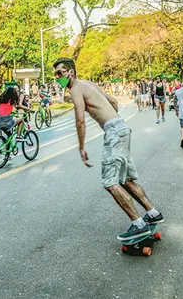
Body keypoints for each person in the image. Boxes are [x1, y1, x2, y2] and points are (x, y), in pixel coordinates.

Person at [53, 57, 164, 241]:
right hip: (121, 127)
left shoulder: (74, 90)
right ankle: (152, 213)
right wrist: (113, 120)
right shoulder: (88, 84)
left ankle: (139, 224)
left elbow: (79, 118)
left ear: (70, 72)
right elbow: (113, 101)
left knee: (110, 182)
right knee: (125, 179)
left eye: (60, 73)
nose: (57, 78)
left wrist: (81, 146)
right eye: (55, 74)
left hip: (114, 131)